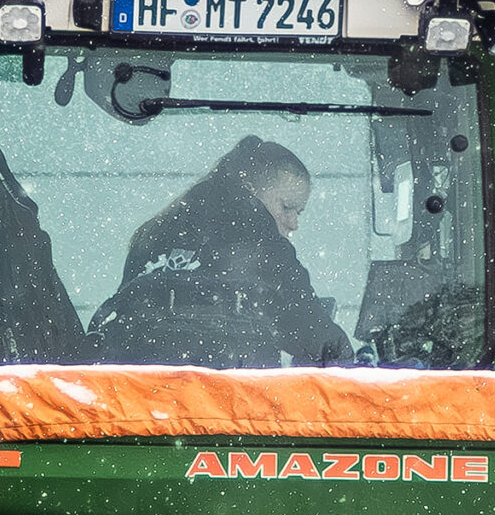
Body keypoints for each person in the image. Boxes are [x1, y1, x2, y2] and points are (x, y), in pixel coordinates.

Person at [90, 136, 349, 367]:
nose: (293, 222)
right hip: (230, 410)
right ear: (249, 188)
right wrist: (351, 360)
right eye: (287, 207)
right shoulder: (263, 246)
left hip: (144, 409)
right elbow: (311, 332)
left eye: (298, 212)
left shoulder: (154, 234)